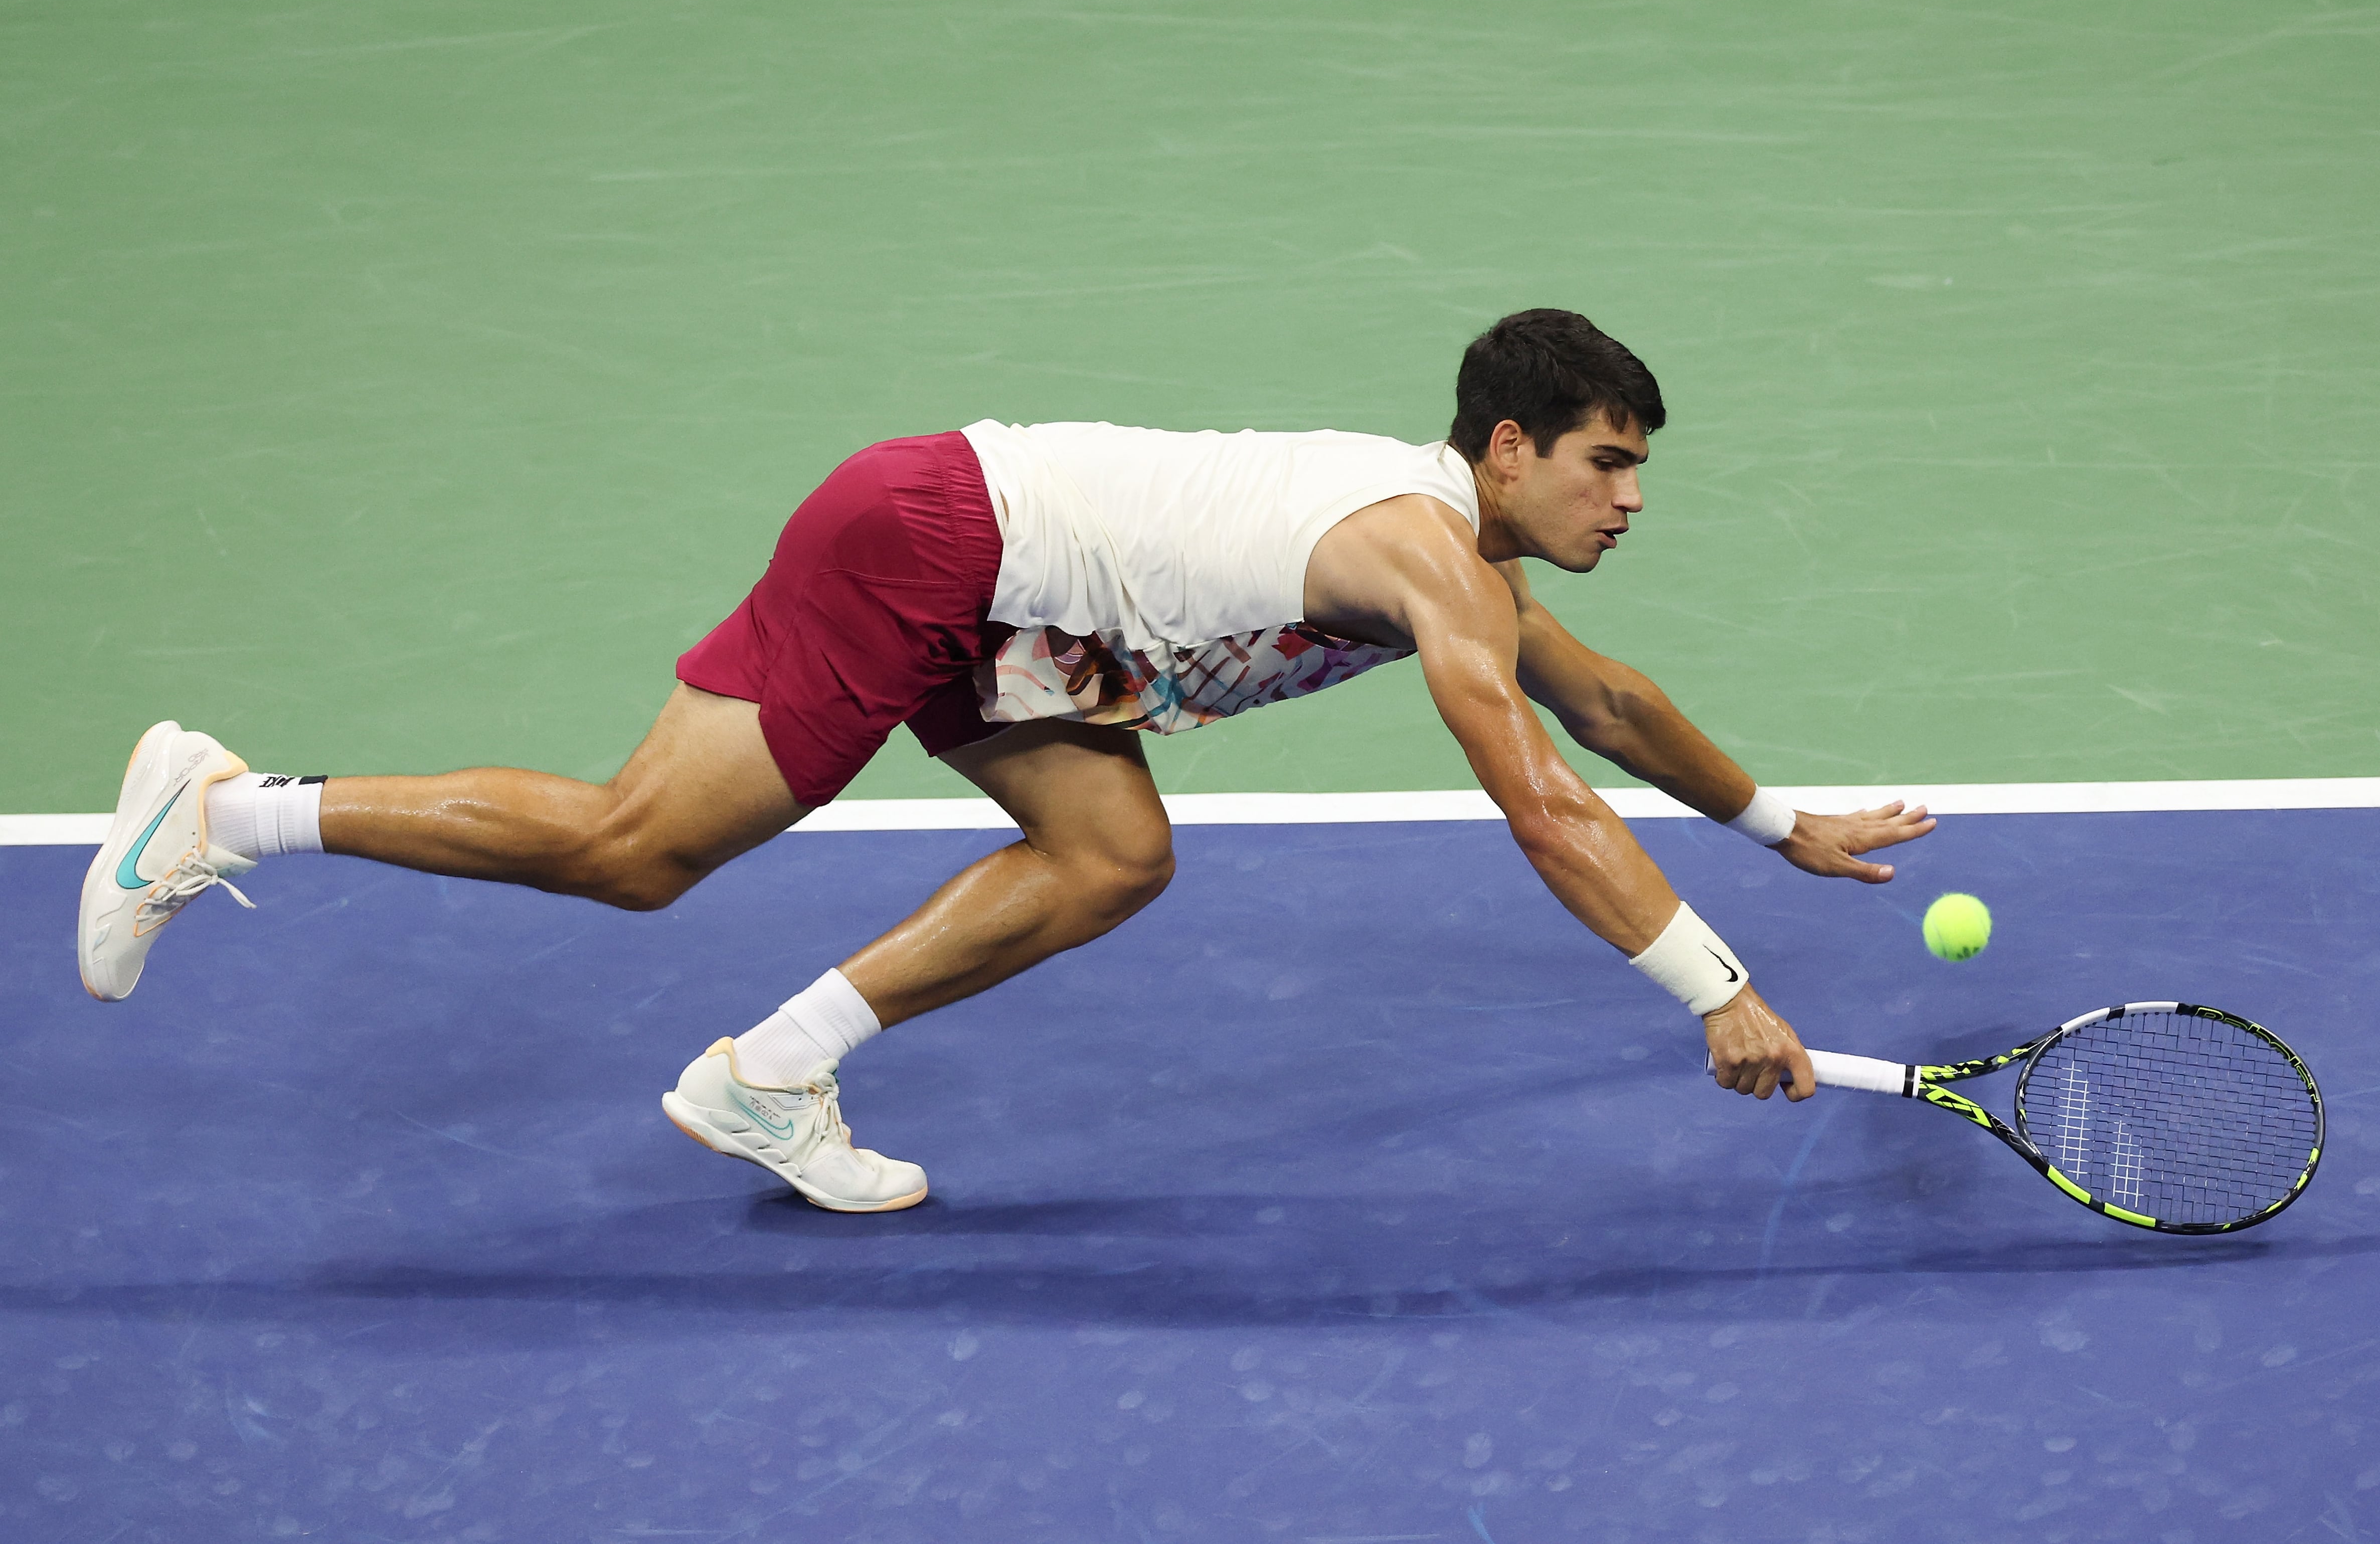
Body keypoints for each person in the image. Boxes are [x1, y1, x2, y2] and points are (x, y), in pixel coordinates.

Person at [77, 308, 1934, 1213]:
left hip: (1017, 618)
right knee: (643, 850)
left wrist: (1778, 827)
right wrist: (1719, 989)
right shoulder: (1417, 553)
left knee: (1113, 853)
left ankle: (765, 1081)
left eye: (1640, 473)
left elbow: (1606, 709)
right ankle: (227, 806)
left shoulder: (1468, 561)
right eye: (1605, 464)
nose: (1626, 502)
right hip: (931, 543)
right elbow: (1540, 789)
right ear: (1509, 447)